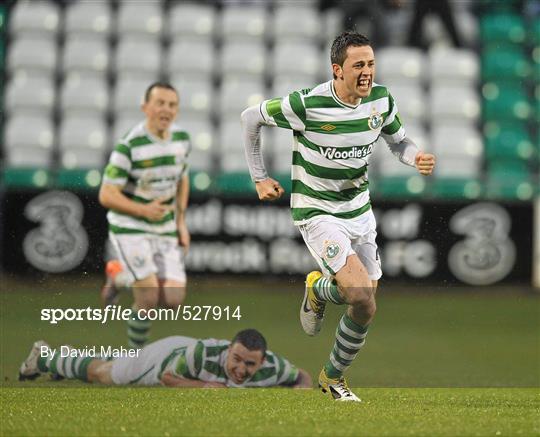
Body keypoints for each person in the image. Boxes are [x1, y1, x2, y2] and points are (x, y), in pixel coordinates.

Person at [241, 31, 435, 402]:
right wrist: (260, 177)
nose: (367, 73)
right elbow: (251, 117)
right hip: (317, 210)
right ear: (337, 70)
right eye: (358, 65)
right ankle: (319, 292)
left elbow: (399, 142)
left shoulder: (381, 100)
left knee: (365, 304)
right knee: (357, 291)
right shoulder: (307, 103)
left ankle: (332, 374)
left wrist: (416, 157)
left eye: (371, 64)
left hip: (359, 211)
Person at [99, 82, 191, 348]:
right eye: (160, 103)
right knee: (148, 297)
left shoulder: (182, 139)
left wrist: (181, 222)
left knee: (173, 300)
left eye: (172, 104)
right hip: (130, 224)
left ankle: (117, 275)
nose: (166, 109)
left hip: (163, 225)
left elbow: (182, 178)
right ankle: (136, 361)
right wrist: (143, 210)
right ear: (145, 107)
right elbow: (106, 194)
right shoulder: (129, 146)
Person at [19, 329, 312, 389]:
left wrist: (298, 395)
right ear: (229, 350)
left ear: (262, 363)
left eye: (249, 364)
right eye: (236, 359)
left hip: (182, 359)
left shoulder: (273, 367)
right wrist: (204, 388)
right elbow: (167, 378)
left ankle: (66, 356)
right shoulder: (204, 354)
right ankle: (43, 359)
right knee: (105, 374)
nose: (240, 368)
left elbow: (302, 376)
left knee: (118, 360)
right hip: (166, 359)